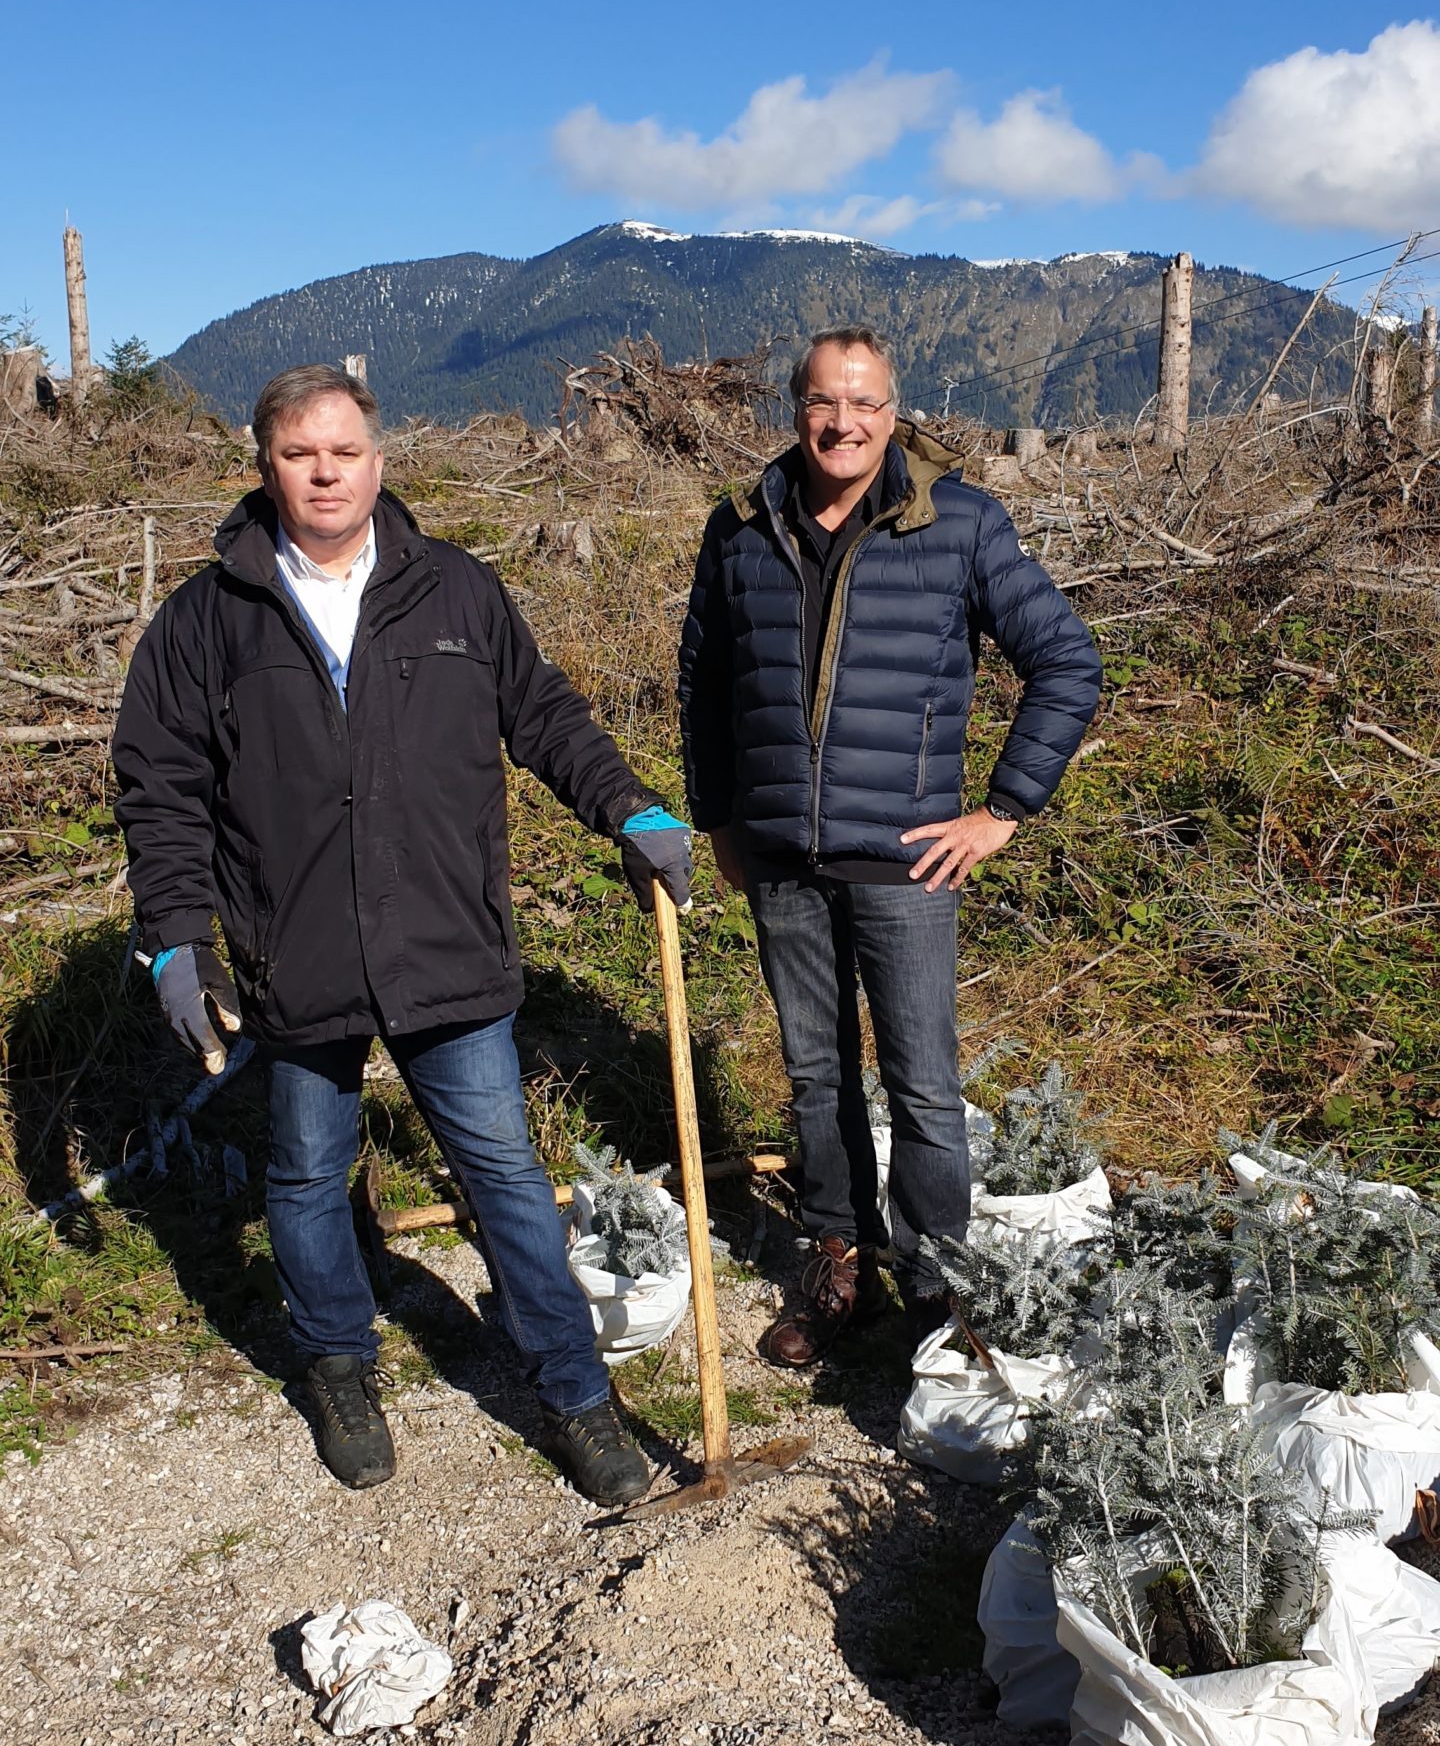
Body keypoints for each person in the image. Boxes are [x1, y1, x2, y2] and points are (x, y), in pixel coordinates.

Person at [112, 363, 692, 1500]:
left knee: (507, 1180)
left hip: (445, 942)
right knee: (309, 1172)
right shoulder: (205, 621)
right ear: (265, 465)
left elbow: (546, 716)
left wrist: (629, 805)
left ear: (381, 462)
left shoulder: (457, 594)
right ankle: (337, 1361)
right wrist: (178, 936)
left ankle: (575, 1394)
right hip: (296, 952)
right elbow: (159, 787)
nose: (324, 472)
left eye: (344, 451)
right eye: (298, 453)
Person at [678, 326, 1101, 1366]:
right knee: (816, 1078)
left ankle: (936, 1285)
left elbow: (1066, 660)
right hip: (781, 857)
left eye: (865, 404)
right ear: (796, 407)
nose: (844, 423)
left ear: (893, 411)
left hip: (909, 863)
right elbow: (702, 685)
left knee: (920, 1082)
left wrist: (1001, 811)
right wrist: (722, 820)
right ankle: (838, 1262)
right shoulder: (741, 526)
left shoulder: (955, 522)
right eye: (825, 402)